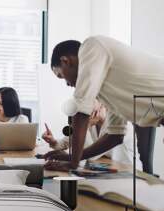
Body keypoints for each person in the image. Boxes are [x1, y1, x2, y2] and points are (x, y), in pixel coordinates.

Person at [45, 35, 164, 171]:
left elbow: (81, 111)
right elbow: (115, 136)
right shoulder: (107, 91)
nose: (66, 83)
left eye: (61, 75)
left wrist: (73, 163)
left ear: (66, 61)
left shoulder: (92, 46)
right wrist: (70, 157)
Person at [42, 101, 137, 165]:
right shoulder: (88, 120)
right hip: (109, 166)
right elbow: (65, 142)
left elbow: (91, 156)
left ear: (102, 103)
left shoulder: (117, 124)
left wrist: (86, 127)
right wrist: (53, 141)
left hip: (128, 171)